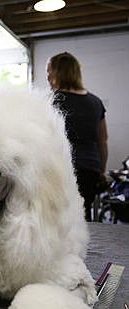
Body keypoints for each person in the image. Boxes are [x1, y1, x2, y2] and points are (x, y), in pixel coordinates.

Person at [47, 52, 108, 222]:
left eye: (49, 71)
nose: (47, 76)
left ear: (58, 72)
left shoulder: (52, 101)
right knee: (83, 213)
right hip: (90, 168)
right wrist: (101, 171)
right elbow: (102, 141)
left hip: (61, 169)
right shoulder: (96, 102)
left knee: (59, 216)